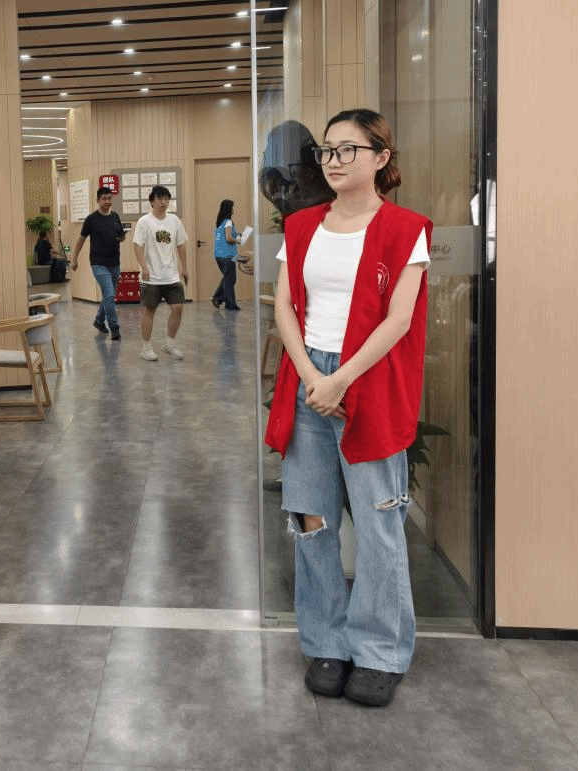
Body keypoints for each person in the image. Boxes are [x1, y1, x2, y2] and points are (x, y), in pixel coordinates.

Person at [264, 108, 431, 708]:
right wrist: (315, 377)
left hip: (369, 383)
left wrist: (342, 379)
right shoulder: (302, 225)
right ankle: (326, 641)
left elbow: (400, 319)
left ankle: (381, 651)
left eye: (347, 150)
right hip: (309, 380)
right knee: (312, 521)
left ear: (381, 158)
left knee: (379, 525)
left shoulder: (405, 229)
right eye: (327, 151)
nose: (333, 161)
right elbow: (284, 306)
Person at [132, 185, 189, 361]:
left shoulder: (174, 221)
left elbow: (181, 245)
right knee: (150, 311)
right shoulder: (144, 222)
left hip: (171, 275)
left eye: (166, 199)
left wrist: (184, 267)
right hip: (151, 277)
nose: (163, 202)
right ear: (152, 202)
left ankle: (169, 344)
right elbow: (137, 245)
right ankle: (146, 348)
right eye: (159, 199)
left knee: (178, 308)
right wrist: (144, 266)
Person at [70, 186, 127, 339]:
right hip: (98, 263)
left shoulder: (115, 217)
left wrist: (122, 238)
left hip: (114, 263)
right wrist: (74, 259)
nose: (107, 201)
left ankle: (99, 321)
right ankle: (114, 328)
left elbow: (121, 236)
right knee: (109, 294)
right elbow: (81, 240)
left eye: (109, 198)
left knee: (109, 295)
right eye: (104, 199)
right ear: (98, 200)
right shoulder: (91, 219)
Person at [210, 198, 242, 310]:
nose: (233, 210)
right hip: (227, 255)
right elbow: (228, 238)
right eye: (232, 208)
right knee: (230, 279)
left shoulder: (220, 222)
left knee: (228, 279)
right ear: (229, 209)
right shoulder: (228, 222)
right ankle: (220, 299)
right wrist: (237, 240)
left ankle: (225, 301)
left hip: (219, 255)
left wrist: (237, 235)